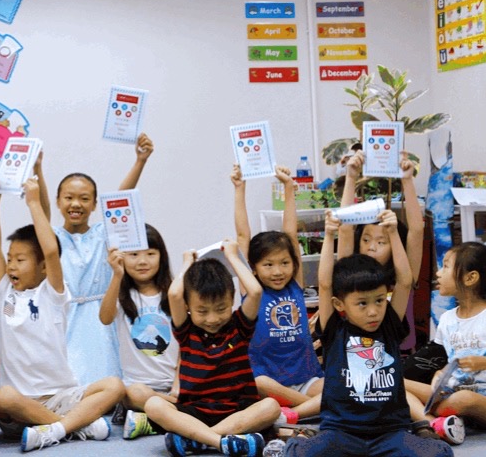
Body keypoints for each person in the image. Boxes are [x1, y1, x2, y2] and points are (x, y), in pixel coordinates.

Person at [283, 211, 452, 457]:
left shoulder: (389, 325)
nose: (373, 311)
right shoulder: (334, 328)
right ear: (339, 304)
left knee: (441, 453)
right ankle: (302, 437)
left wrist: (393, 233)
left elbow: (405, 281)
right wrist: (329, 235)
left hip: (390, 433)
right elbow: (326, 284)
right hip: (341, 432)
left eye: (380, 301)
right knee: (296, 454)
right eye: (362, 303)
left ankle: (418, 430)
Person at [0, 175, 123, 451]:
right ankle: (73, 426)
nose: (11, 266)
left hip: (61, 397)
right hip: (19, 408)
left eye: (20, 260)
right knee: (2, 397)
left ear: (45, 267)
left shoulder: (53, 294)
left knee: (115, 386)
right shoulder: (6, 291)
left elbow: (50, 251)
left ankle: (56, 429)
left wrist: (34, 202)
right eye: (10, 260)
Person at [145, 241, 281, 457]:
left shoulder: (239, 327)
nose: (212, 319)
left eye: (221, 309)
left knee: (271, 406)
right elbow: (174, 295)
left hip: (237, 410)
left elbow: (255, 291)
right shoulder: (186, 331)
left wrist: (233, 257)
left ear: (232, 301)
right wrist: (187, 263)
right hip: (195, 412)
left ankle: (199, 440)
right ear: (188, 307)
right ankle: (220, 441)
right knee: (153, 405)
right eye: (202, 311)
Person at [47, 133, 155, 384]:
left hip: (101, 317)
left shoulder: (103, 234)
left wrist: (140, 161)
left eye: (84, 198)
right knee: (66, 382)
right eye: (69, 198)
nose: (76, 204)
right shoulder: (52, 238)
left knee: (107, 380)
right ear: (58, 202)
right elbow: (39, 211)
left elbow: (121, 200)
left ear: (96, 204)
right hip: (64, 317)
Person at [233, 164, 324, 426]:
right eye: (268, 265)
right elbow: (242, 236)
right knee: (258, 383)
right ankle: (309, 409)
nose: (278, 271)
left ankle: (291, 413)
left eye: (284, 263)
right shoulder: (252, 291)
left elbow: (291, 234)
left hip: (306, 378)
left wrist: (288, 187)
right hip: (269, 383)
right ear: (253, 268)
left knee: (339, 387)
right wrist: (240, 188)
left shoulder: (295, 285)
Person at [337, 150, 424, 352]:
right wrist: (351, 178)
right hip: (354, 356)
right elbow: (345, 229)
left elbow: (417, 231)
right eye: (366, 239)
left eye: (381, 242)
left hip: (398, 355)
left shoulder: (404, 276)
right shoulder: (349, 274)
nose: (371, 246)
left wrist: (407, 179)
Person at [98, 223, 178, 440]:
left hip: (174, 384)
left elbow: (186, 344)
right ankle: (177, 413)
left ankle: (155, 420)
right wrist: (116, 275)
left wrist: (178, 383)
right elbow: (105, 318)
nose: (142, 261)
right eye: (134, 254)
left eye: (150, 254)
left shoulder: (174, 293)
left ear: (162, 257)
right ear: (123, 257)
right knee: (133, 393)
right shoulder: (122, 296)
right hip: (138, 387)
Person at [405, 241, 486, 441]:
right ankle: (437, 425)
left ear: (470, 278)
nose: (438, 273)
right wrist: (439, 375)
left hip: (478, 400)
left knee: (464, 399)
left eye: (446, 266)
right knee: (397, 385)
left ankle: (430, 418)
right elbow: (449, 362)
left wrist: (483, 362)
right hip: (451, 392)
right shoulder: (447, 319)